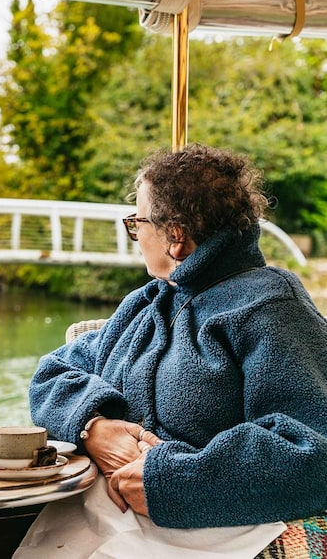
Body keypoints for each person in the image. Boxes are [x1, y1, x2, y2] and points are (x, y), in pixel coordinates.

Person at [23, 144, 327, 553]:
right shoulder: (146, 303)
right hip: (104, 519)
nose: (135, 233)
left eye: (139, 222)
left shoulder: (271, 307)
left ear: (176, 237)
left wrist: (171, 482)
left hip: (214, 533)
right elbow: (52, 374)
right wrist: (93, 426)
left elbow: (314, 450)